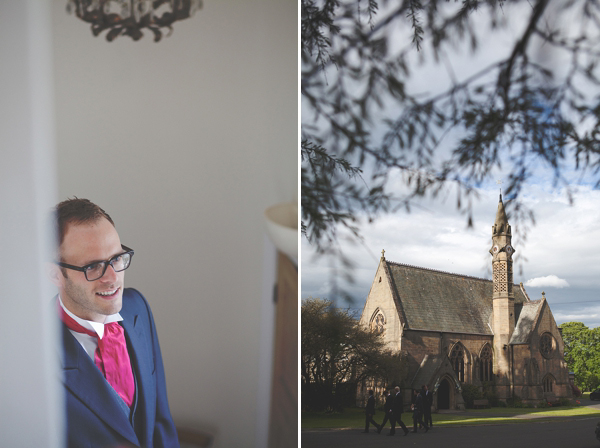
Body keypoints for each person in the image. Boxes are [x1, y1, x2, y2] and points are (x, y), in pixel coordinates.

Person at [48, 198, 179, 448]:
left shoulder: (137, 306)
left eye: (117, 259)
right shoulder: (34, 355)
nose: (112, 278)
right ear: (55, 274)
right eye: (93, 266)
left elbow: (160, 421)